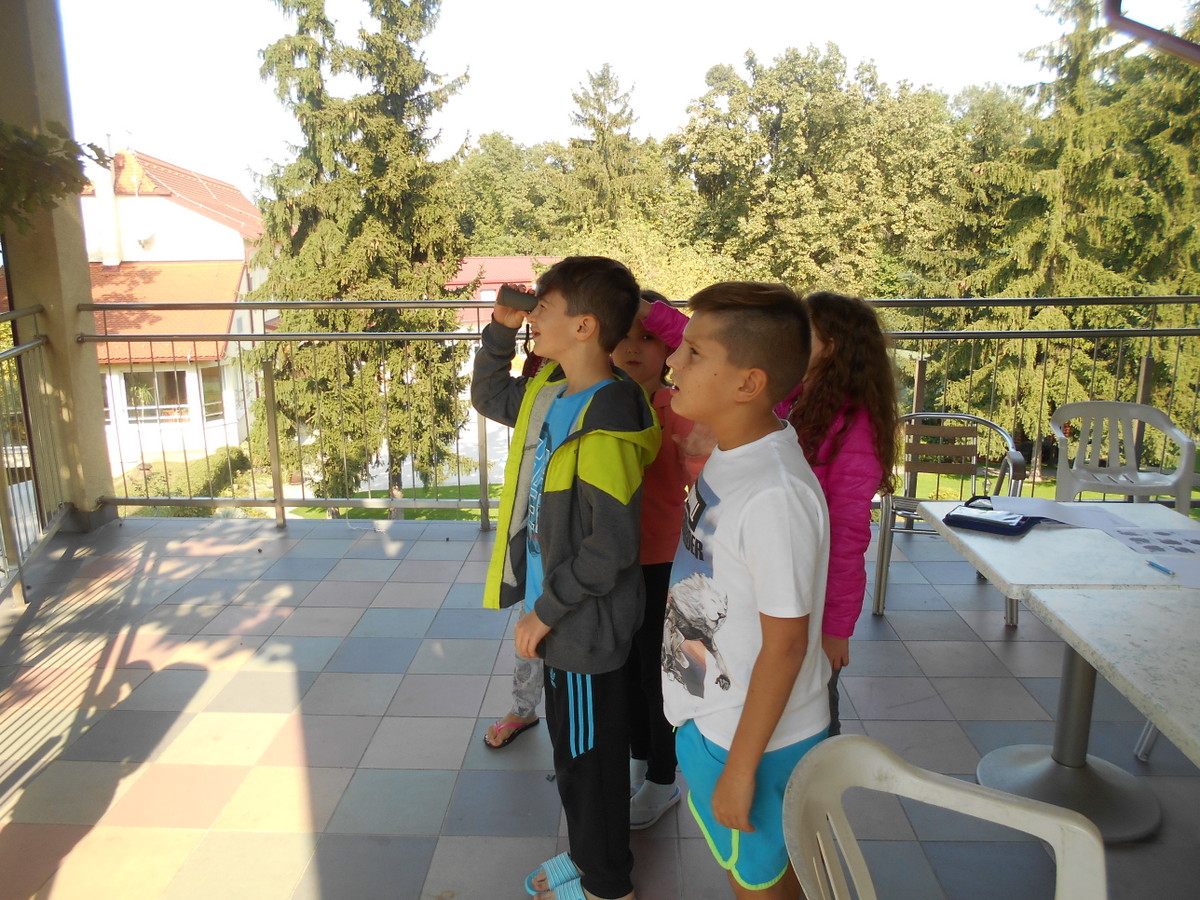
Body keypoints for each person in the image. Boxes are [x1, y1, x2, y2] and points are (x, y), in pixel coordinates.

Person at [472, 256, 660, 900]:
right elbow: (489, 396)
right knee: (575, 749)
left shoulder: (606, 420)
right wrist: (501, 329)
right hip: (563, 614)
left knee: (588, 761)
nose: (535, 319)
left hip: (580, 626)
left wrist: (545, 611)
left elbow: (610, 547)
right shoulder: (555, 393)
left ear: (584, 327)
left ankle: (607, 882)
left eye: (544, 310)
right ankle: (589, 858)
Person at [660, 281, 829, 900]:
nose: (673, 360)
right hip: (715, 719)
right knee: (765, 871)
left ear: (748, 384)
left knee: (761, 884)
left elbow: (786, 645)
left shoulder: (775, 494)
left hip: (749, 740)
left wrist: (740, 768)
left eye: (694, 352)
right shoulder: (736, 452)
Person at [613, 290, 711, 829]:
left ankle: (662, 779)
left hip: (663, 565)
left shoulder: (680, 409)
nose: (634, 347)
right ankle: (638, 759)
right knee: (625, 669)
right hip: (613, 562)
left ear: (668, 349)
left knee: (659, 675)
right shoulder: (602, 402)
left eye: (648, 337)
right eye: (625, 336)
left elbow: (705, 480)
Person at [786, 291, 898, 734]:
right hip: (789, 581)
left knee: (815, 710)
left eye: (803, 332)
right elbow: (725, 350)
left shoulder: (856, 426)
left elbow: (847, 537)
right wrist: (650, 314)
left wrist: (836, 628)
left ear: (831, 347)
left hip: (815, 596)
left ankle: (820, 777)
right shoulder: (796, 400)